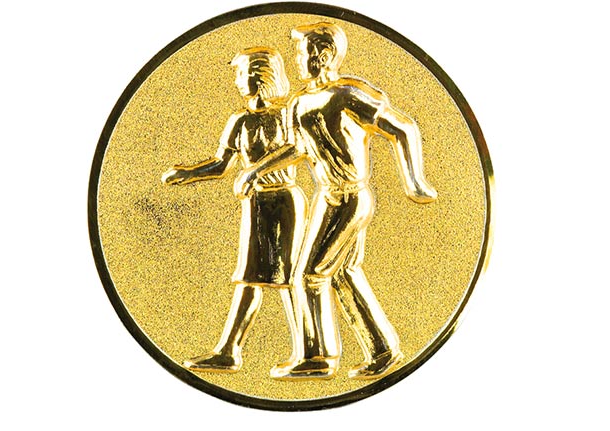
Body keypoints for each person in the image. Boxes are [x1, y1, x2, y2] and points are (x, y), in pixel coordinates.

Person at [235, 23, 437, 380]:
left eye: (302, 53)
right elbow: (297, 148)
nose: (298, 60)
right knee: (343, 272)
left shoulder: (347, 95)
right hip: (327, 197)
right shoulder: (298, 103)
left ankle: (318, 358)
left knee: (308, 276)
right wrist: (256, 171)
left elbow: (402, 128)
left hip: (351, 198)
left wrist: (414, 182)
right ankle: (383, 350)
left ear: (324, 56)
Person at [162, 47, 307, 372]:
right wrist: (189, 174)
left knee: (290, 278)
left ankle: (306, 351)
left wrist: (255, 171)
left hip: (285, 201)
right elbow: (221, 164)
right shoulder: (239, 121)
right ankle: (229, 351)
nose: (238, 81)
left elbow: (298, 150)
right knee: (249, 277)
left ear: (260, 77)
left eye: (241, 74)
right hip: (256, 203)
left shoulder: (287, 116)